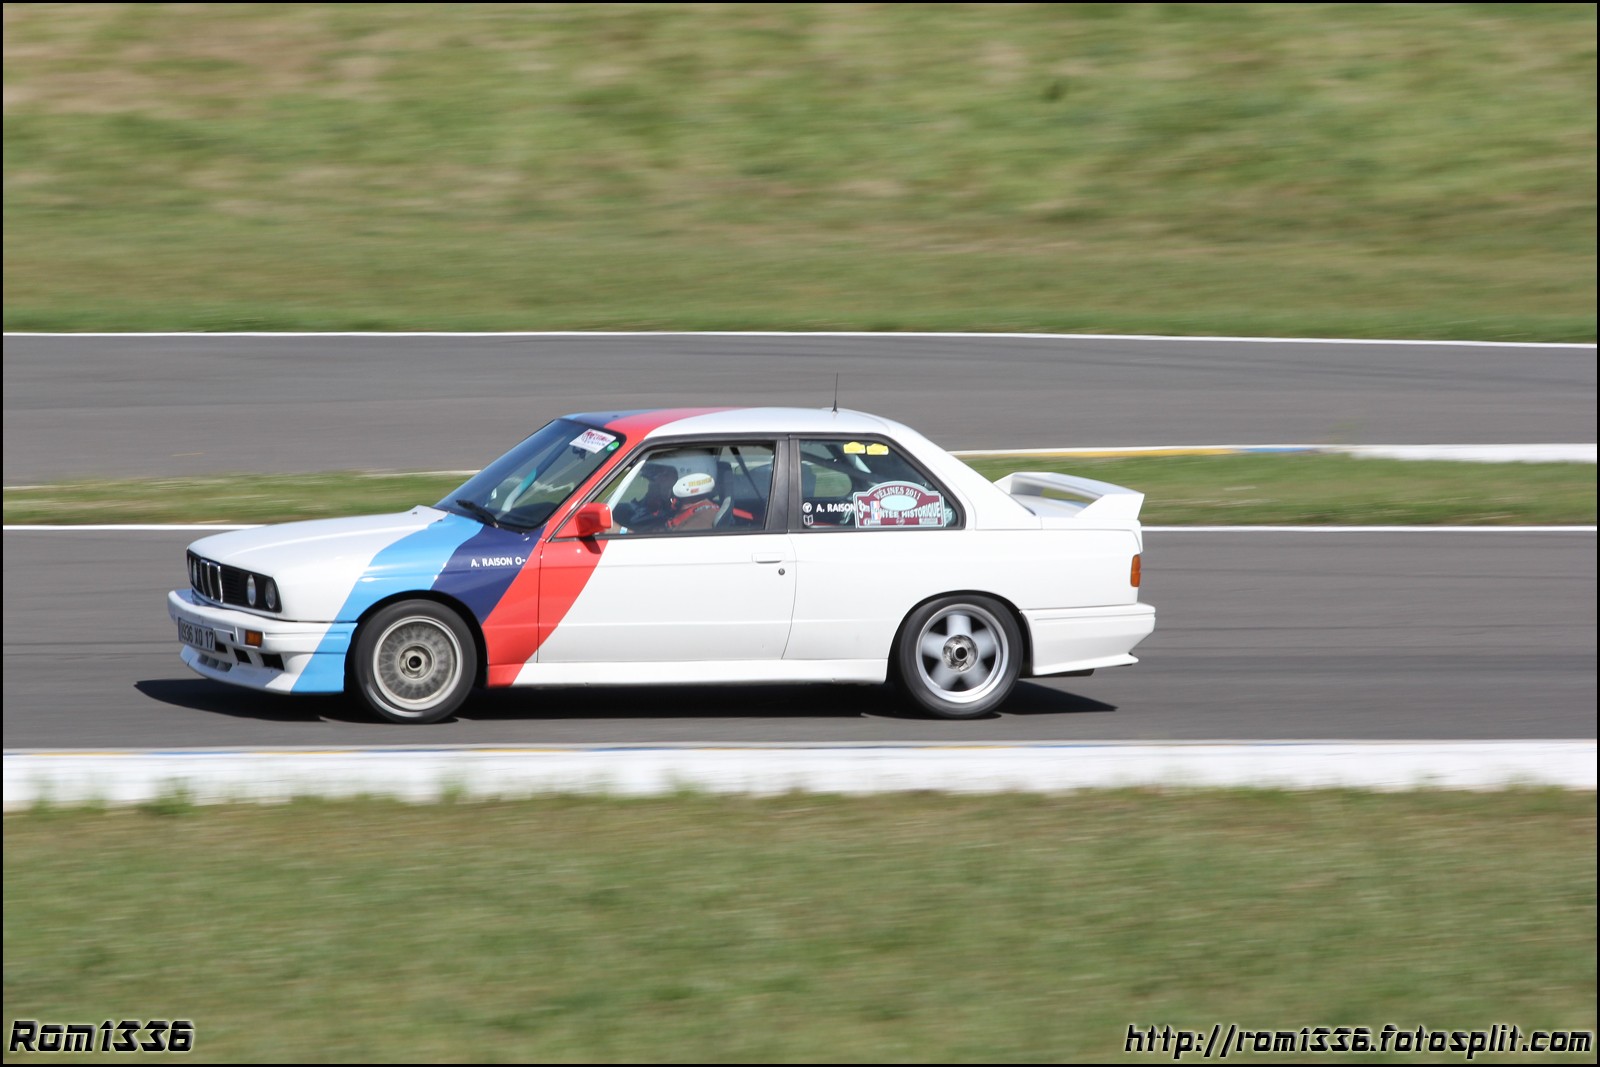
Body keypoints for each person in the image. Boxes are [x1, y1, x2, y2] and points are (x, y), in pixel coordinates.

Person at [613, 457, 721, 533]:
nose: (658, 479)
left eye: (665, 474)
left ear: (688, 479)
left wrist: (619, 531)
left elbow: (659, 550)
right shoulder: (674, 509)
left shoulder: (702, 519)